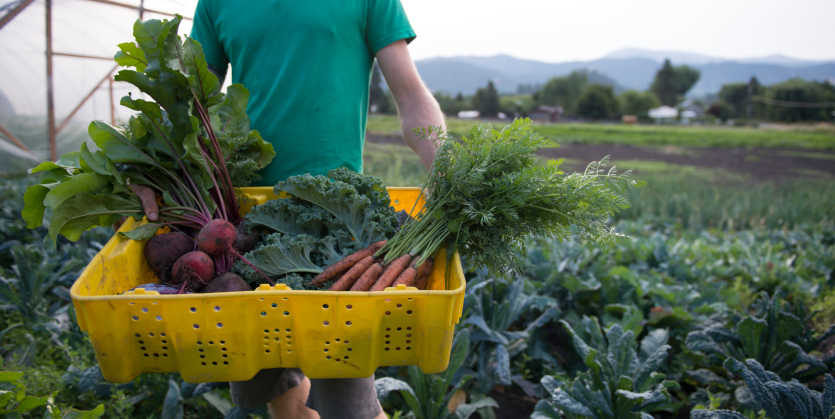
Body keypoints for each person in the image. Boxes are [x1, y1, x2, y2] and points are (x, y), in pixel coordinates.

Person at [187, 1, 446, 418]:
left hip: (337, 222)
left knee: (350, 403)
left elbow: (411, 94)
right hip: (244, 222)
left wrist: (442, 165)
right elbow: (191, 104)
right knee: (274, 385)